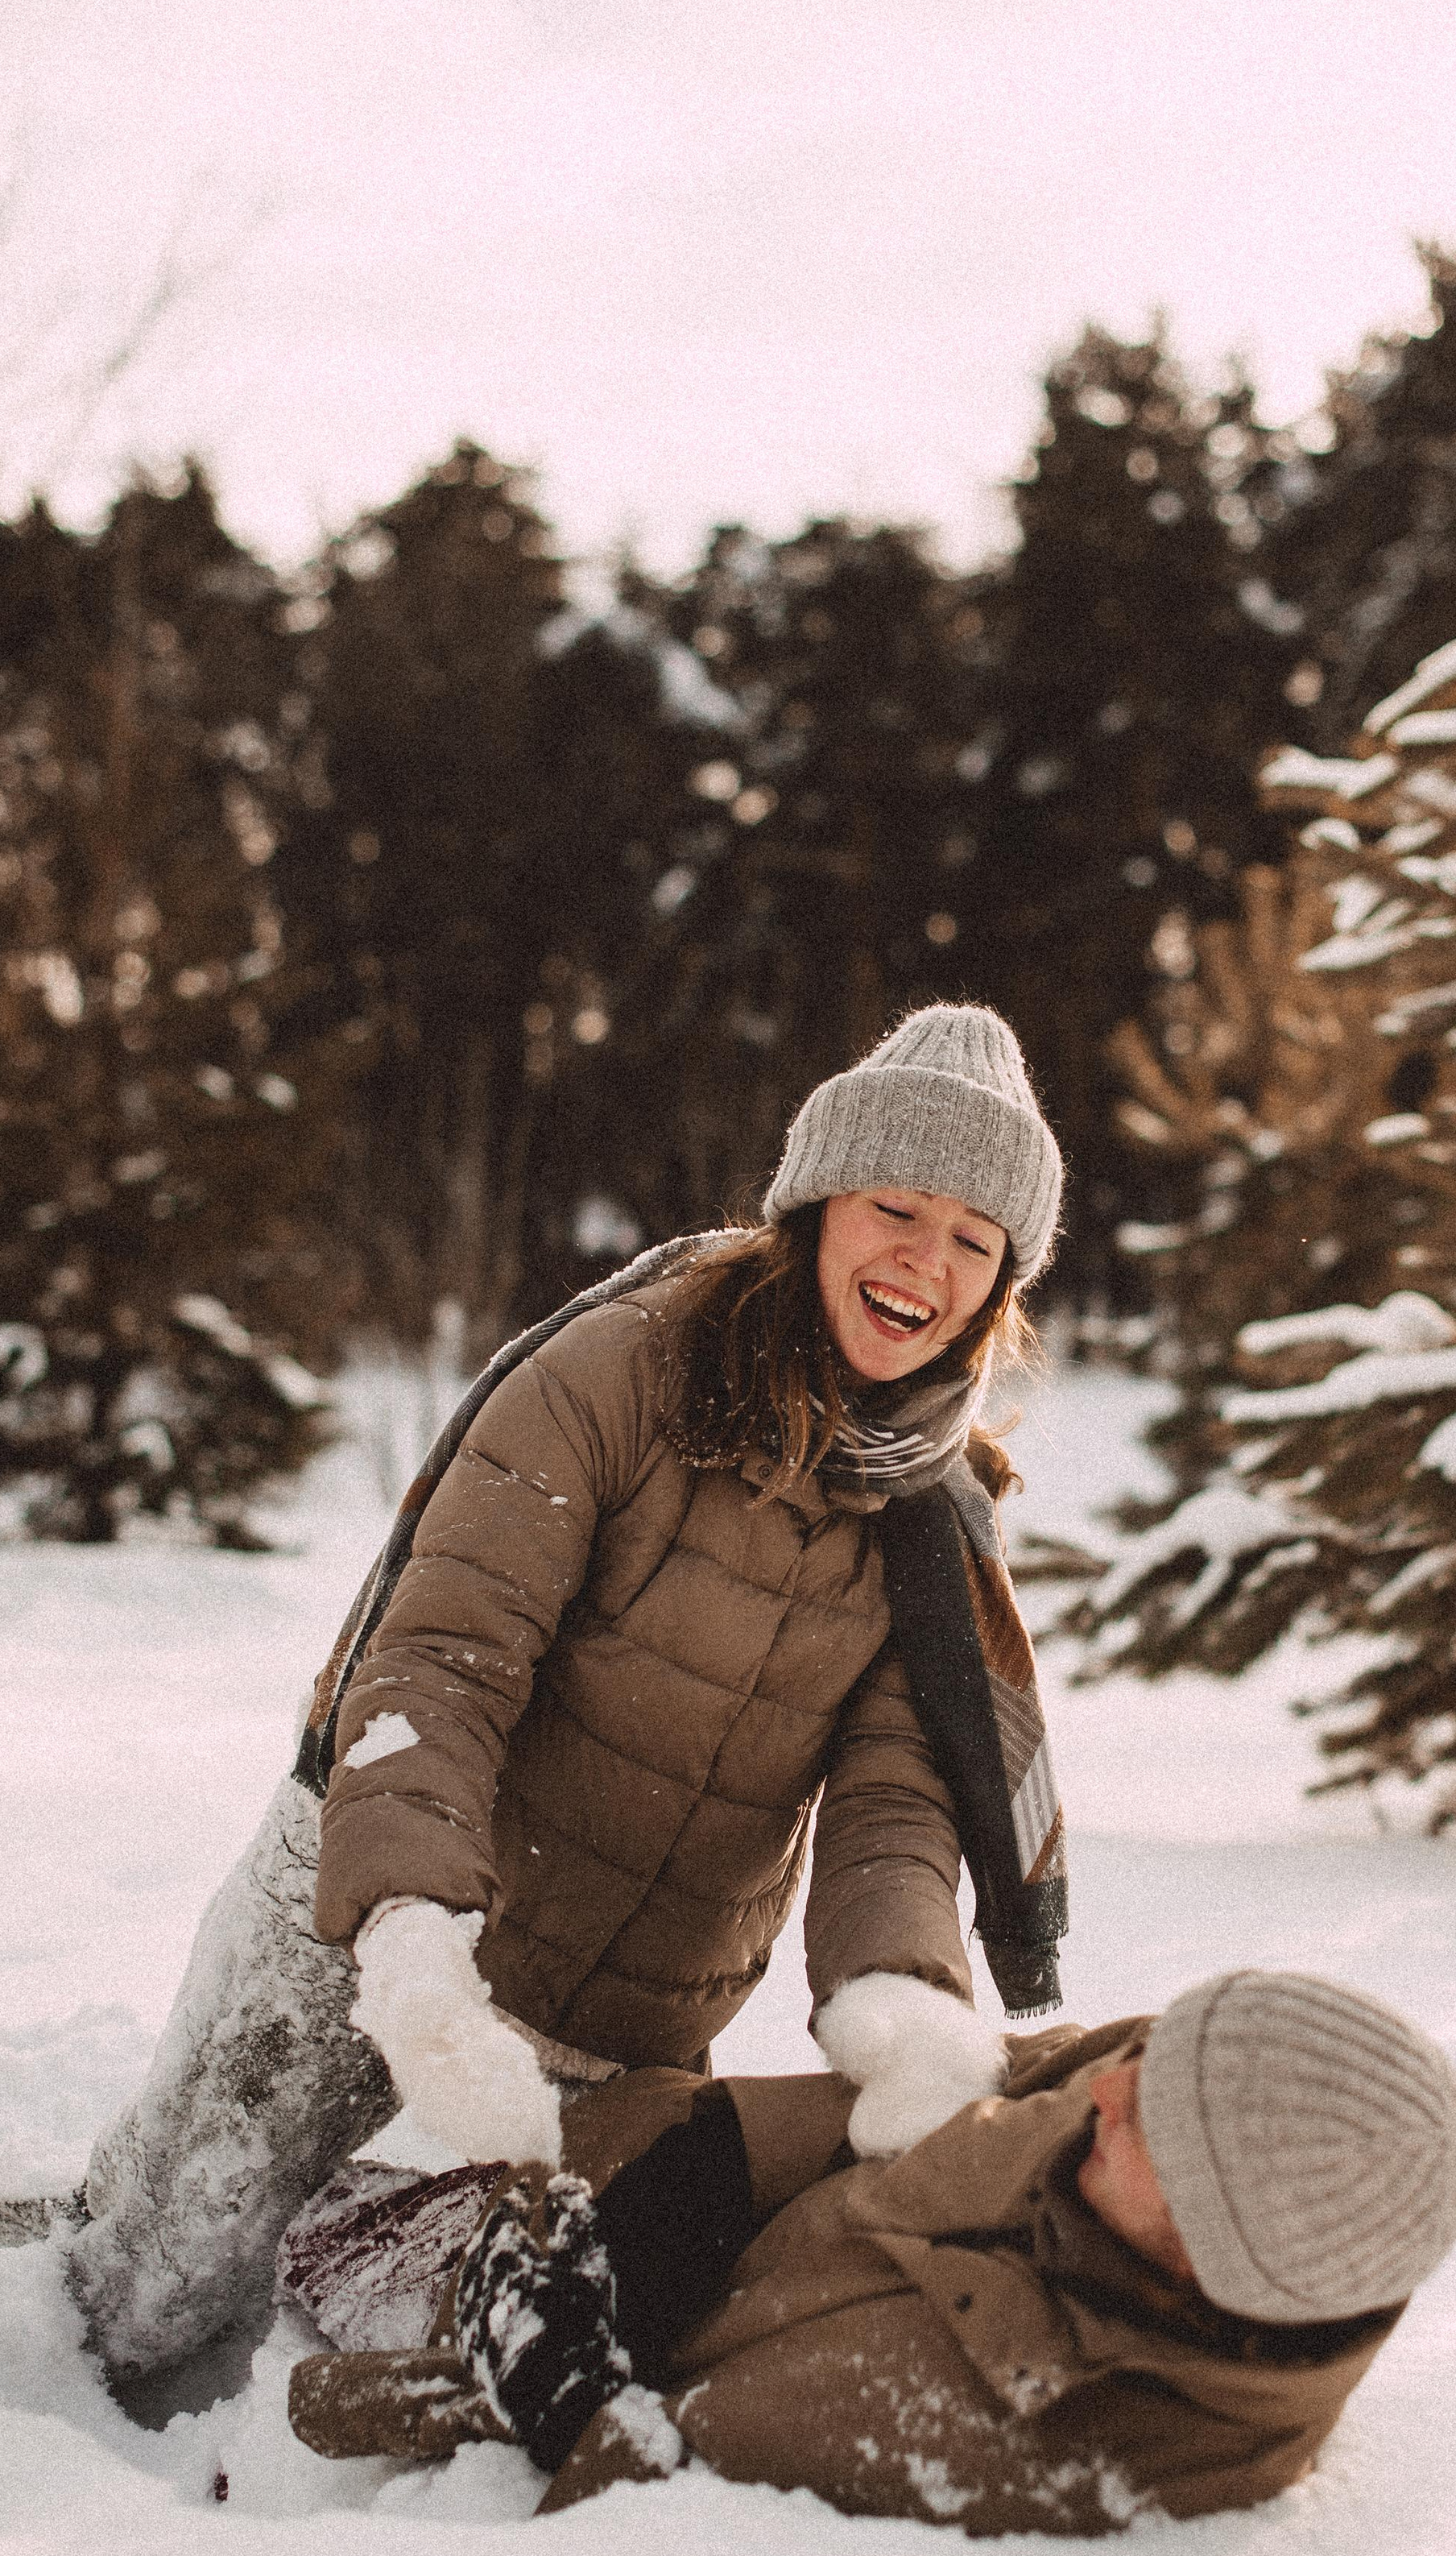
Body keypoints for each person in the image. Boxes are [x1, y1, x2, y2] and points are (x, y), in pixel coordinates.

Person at [63, 1003, 1067, 2387]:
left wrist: (904, 2004)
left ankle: (316, 2357)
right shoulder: (626, 1372)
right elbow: (445, 1658)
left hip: (627, 2019)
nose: (925, 1262)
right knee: (142, 2305)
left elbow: (896, 1808)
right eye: (896, 1207)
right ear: (818, 1207)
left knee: (488, 2358)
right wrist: (411, 1932)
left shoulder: (935, 1528)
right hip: (380, 1915)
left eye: (973, 1238)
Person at [285, 1969, 1456, 2539]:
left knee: (288, 2245)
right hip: (647, 2197)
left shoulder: (1025, 2451)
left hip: (524, 2357)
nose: (1114, 2090)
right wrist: (715, 2161)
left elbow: (661, 2530)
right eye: (1155, 2060)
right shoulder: (1175, 2102)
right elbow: (1026, 2070)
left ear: (1211, 2261)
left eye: (1153, 2122)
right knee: (297, 2193)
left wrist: (552, 2389)